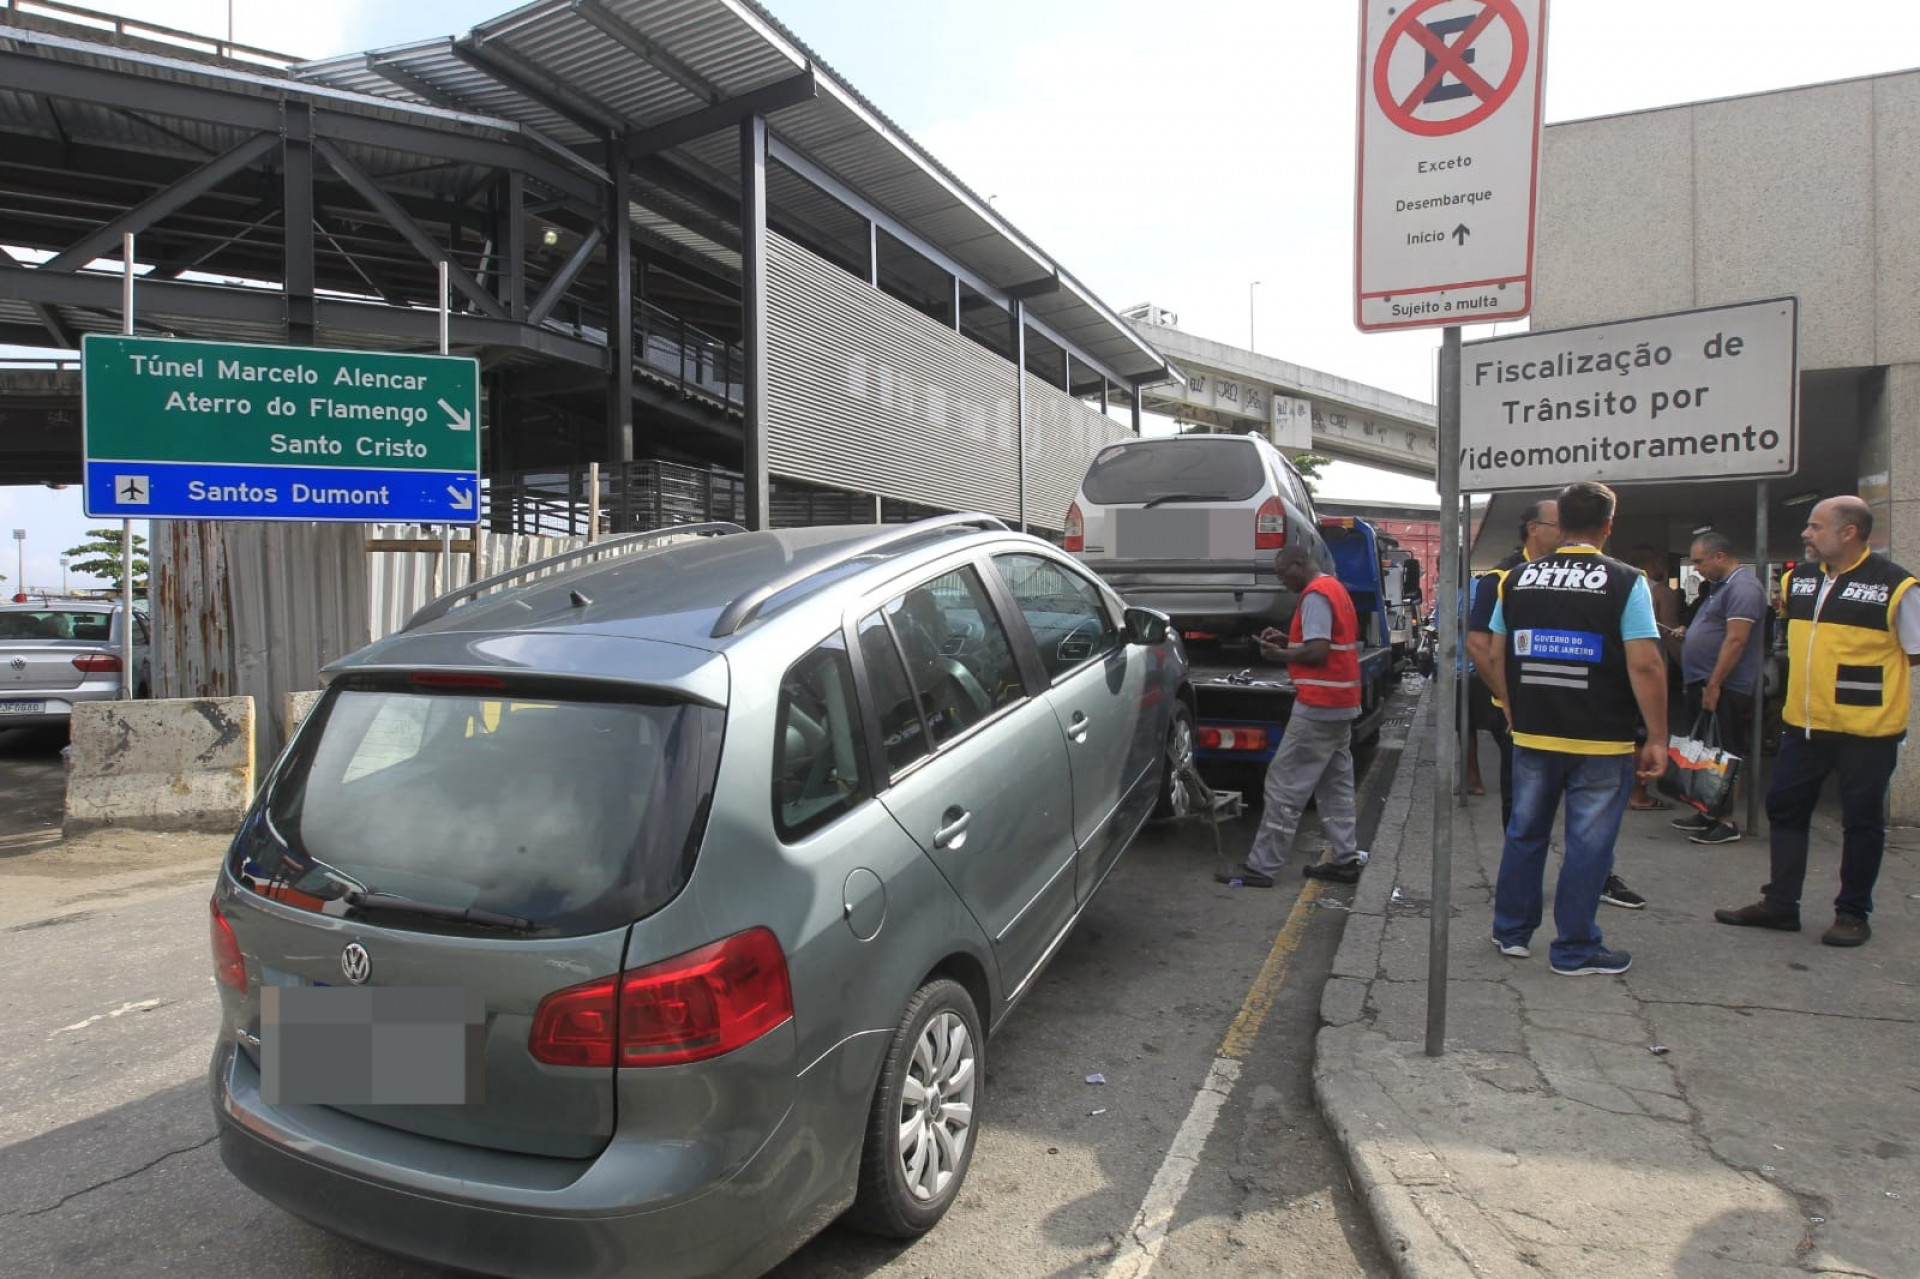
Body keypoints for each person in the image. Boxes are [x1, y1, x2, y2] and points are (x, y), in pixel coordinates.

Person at [1715, 497, 1920, 948]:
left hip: (1866, 731)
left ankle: (1852, 913)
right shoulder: (1799, 580)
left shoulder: (1896, 585)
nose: (1805, 534)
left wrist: (1860, 677)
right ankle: (1780, 904)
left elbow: (1916, 649)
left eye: (1815, 526)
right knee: (1785, 808)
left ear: (1849, 532)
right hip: (1803, 725)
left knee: (1862, 822)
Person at [1482, 481, 1668, 976]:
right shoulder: (1627, 582)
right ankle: (1574, 949)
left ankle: (1511, 932)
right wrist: (1657, 737)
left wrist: (1510, 706)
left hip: (1533, 731)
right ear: (1608, 526)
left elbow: (1497, 653)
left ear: (1560, 524)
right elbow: (1645, 663)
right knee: (1588, 843)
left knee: (1525, 832)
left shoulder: (1515, 579)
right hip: (1600, 738)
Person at [1216, 544, 1367, 887]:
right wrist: (1290, 640)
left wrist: (1279, 654)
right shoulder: (1334, 588)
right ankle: (1345, 859)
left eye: (1283, 574)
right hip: (1341, 702)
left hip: (1318, 705)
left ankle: (1261, 867)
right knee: (1335, 786)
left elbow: (1318, 651)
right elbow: (1326, 641)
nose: (1282, 581)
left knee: (1284, 784)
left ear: (1299, 564)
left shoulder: (1315, 595)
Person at [1670, 532, 1767, 845]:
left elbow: (1736, 639)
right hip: (1703, 680)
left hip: (1725, 685)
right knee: (1704, 749)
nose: (1697, 568)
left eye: (1700, 561)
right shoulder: (1719, 587)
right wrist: (1689, 632)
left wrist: (1714, 684)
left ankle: (1726, 821)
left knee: (1725, 751)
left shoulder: (1743, 588)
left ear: (1720, 557)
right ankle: (1707, 809)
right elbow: (1715, 628)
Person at [1625, 546, 1685, 813]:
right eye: (1660, 562)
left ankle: (1628, 789)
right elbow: (1670, 633)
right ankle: (1640, 794)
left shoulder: (1621, 588)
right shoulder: (1660, 592)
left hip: (1623, 669)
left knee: (1630, 734)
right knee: (1647, 734)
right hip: (1651, 665)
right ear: (1650, 563)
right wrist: (1685, 665)